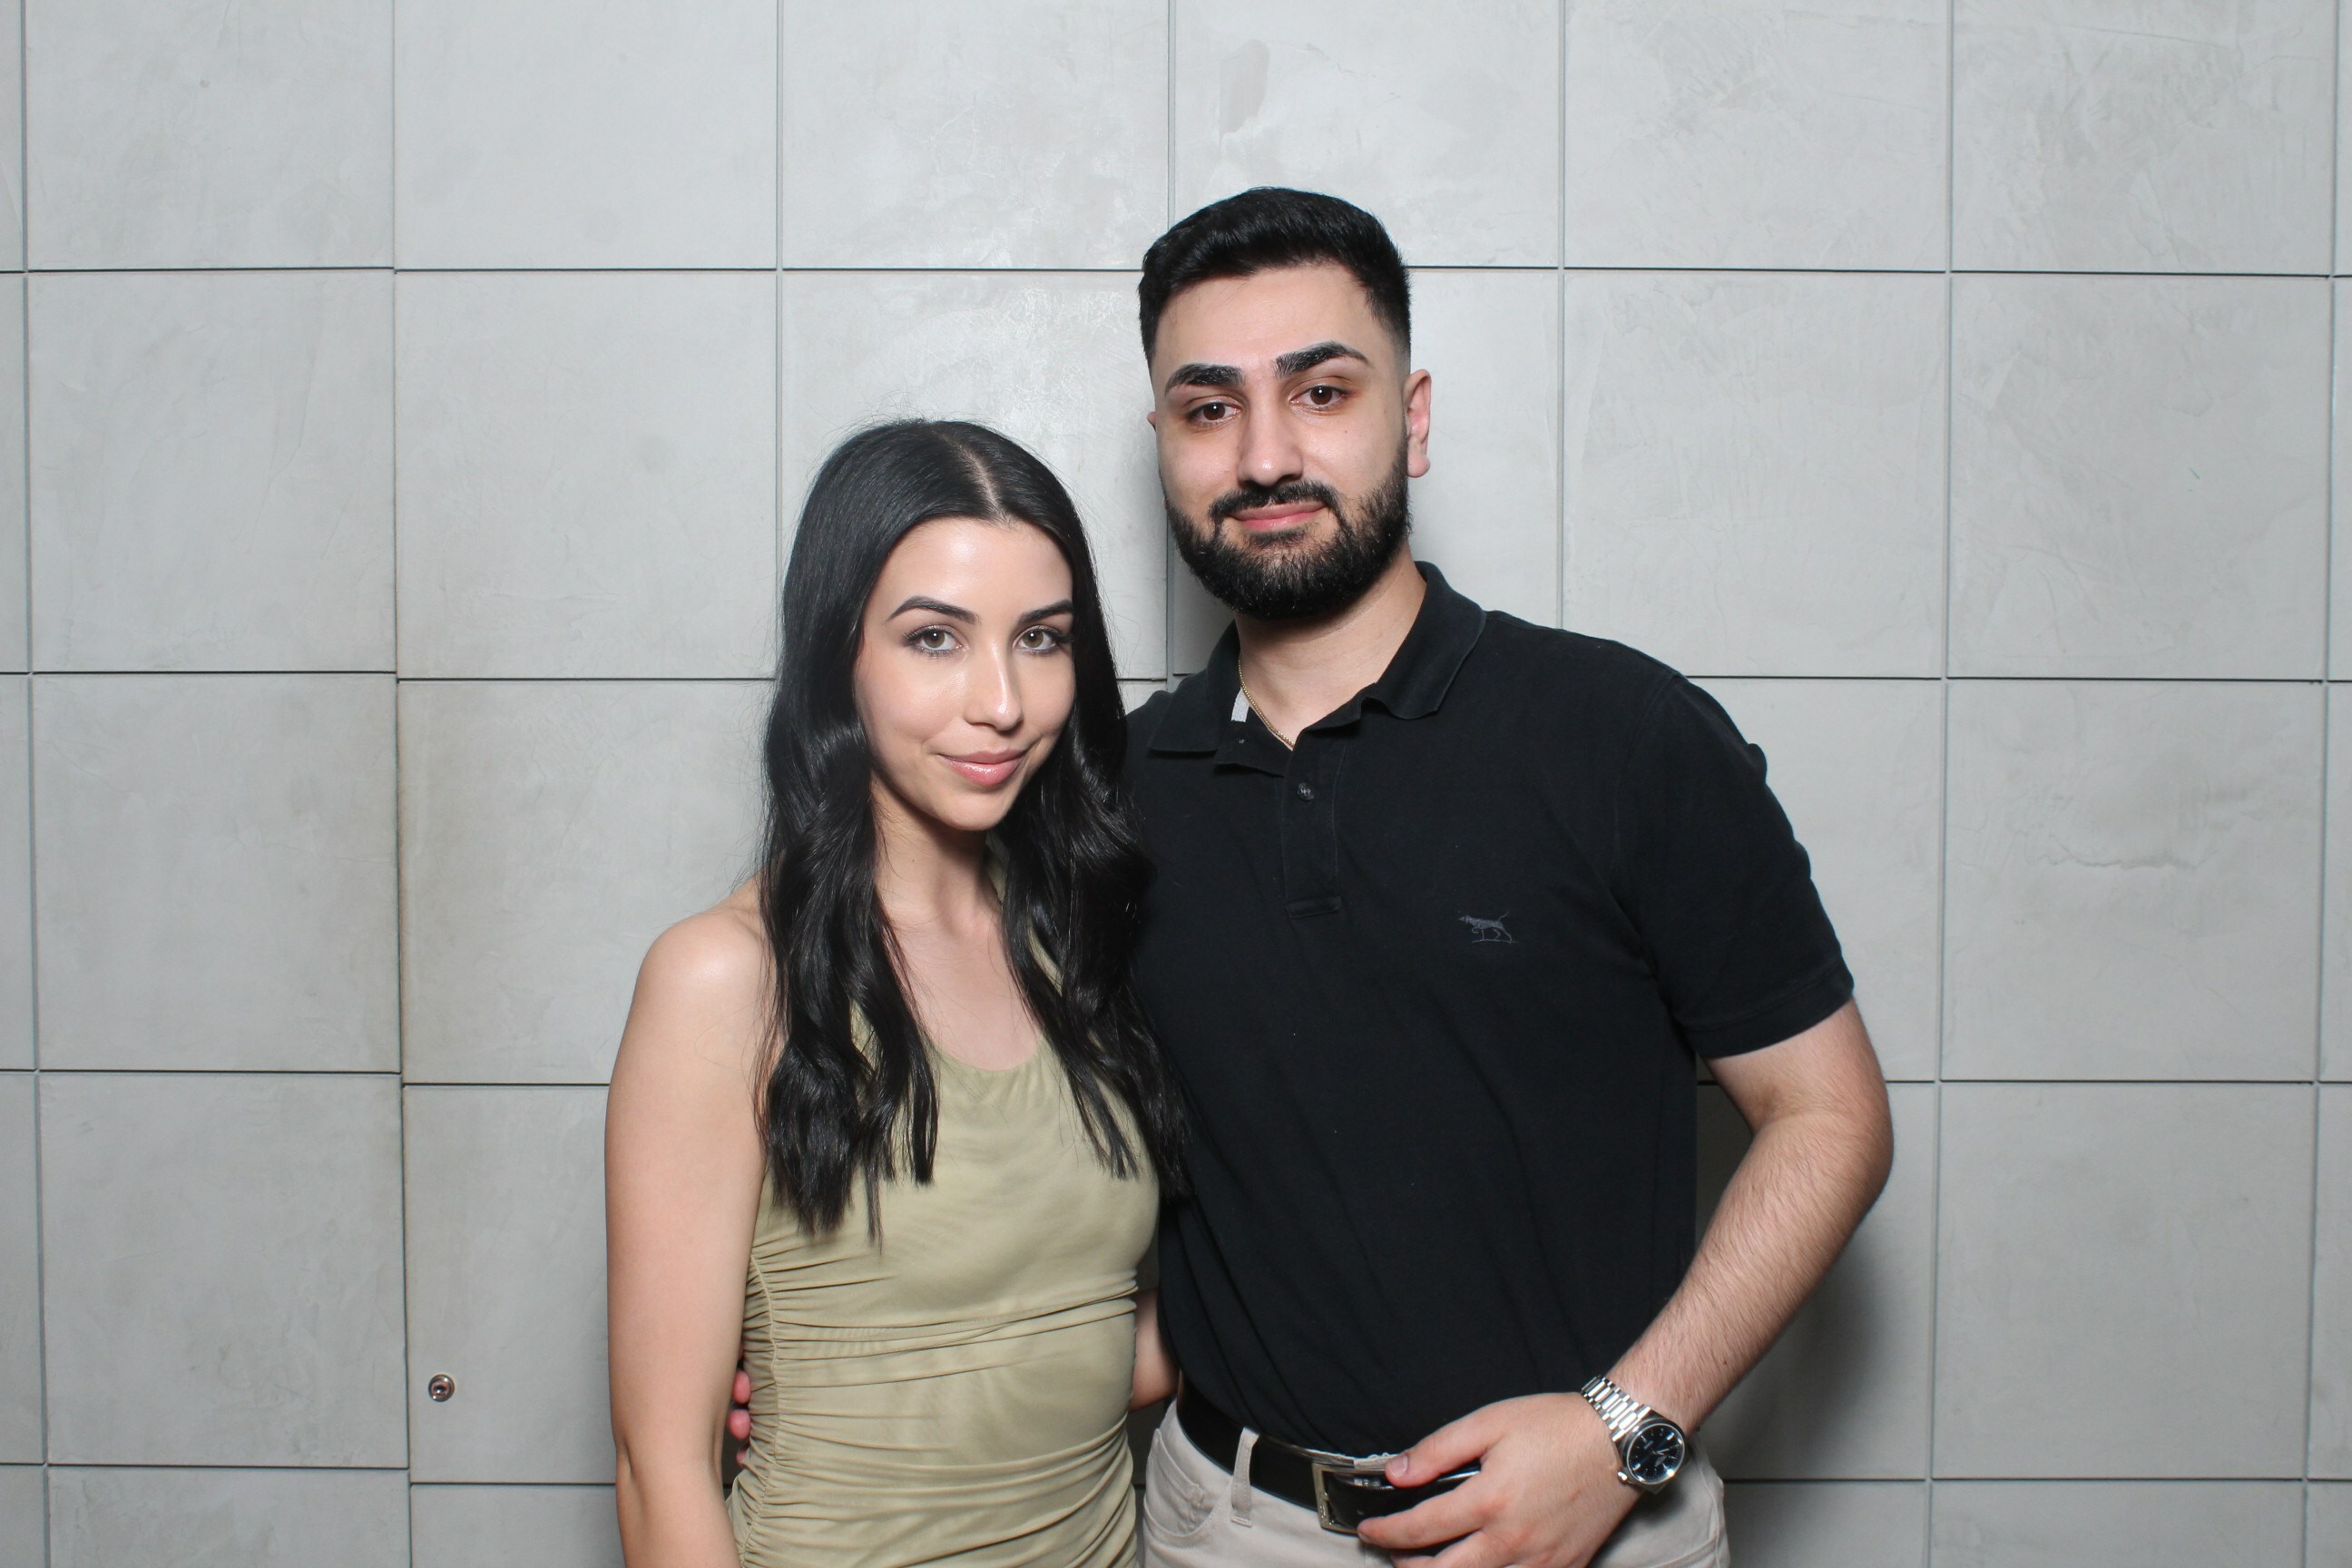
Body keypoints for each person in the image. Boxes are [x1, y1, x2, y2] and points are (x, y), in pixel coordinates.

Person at [1120, 189, 1896, 1568]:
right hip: (1228, 1527)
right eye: (1209, 407)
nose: (1266, 454)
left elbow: (1830, 1119)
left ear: (1412, 419)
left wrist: (1626, 1431)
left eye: (1322, 392)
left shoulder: (1623, 736)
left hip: (1597, 1522)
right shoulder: (1111, 796)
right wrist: (851, 1363)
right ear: (1166, 447)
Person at [605, 419, 1187, 1567]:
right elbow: (659, 1467)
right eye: (934, 639)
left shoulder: (1081, 941)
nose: (1001, 701)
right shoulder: (727, 978)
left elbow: (1073, 1334)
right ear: (840, 658)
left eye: (1041, 638)